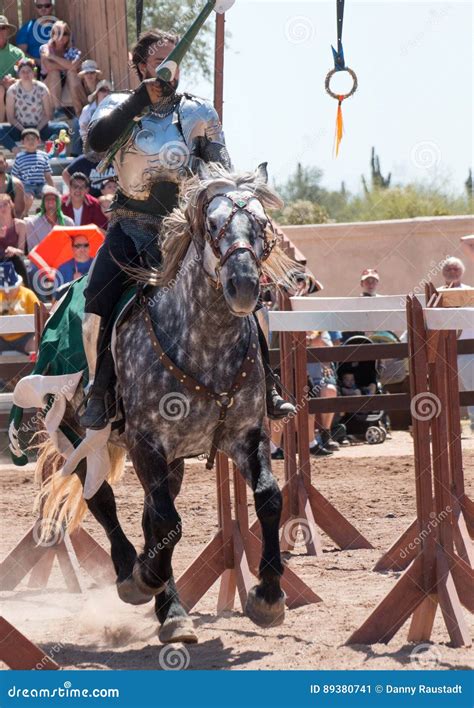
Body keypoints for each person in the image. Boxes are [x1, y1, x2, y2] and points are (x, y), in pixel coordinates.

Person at [79, 28, 294, 429]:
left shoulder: (200, 113)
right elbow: (95, 142)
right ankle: (99, 389)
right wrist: (142, 99)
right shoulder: (119, 106)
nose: (169, 69)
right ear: (142, 64)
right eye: (161, 61)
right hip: (131, 226)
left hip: (184, 231)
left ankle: (268, 385)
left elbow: (219, 171)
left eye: (174, 61)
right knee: (97, 297)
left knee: (248, 291)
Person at [0, 57, 69, 151]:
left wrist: (36, 130)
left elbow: (48, 115)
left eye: (28, 71)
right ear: (18, 73)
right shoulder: (12, 90)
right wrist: (25, 131)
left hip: (40, 128)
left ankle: (50, 151)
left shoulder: (42, 88)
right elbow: (11, 118)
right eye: (23, 71)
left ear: (33, 72)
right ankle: (15, 150)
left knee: (63, 128)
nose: (26, 74)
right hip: (19, 129)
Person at [439, 256, 474, 432]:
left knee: (471, 387)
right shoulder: (436, 294)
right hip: (443, 350)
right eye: (449, 269)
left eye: (455, 269)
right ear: (443, 272)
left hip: (467, 349)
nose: (452, 272)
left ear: (461, 272)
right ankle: (447, 426)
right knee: (443, 388)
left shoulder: (470, 292)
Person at [39, 20, 85, 117]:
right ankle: (57, 110)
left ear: (69, 36)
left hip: (67, 86)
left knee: (72, 74)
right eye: (58, 33)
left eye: (65, 33)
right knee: (55, 72)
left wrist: (53, 57)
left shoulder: (73, 51)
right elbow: (49, 66)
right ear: (53, 35)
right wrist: (68, 66)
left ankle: (79, 112)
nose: (62, 37)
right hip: (49, 86)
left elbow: (74, 67)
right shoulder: (45, 48)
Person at [11, 128, 54, 213]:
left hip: (41, 185)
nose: (31, 141)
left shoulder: (44, 155)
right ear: (22, 142)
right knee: (28, 198)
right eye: (27, 139)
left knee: (49, 195)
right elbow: (14, 176)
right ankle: (24, 213)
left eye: (33, 139)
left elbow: (47, 175)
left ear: (38, 141)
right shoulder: (19, 157)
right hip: (26, 186)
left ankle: (43, 213)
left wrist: (53, 189)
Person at [0, 261, 38, 355]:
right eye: (3, 290)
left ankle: (36, 368)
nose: (7, 292)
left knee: (35, 343)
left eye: (10, 289)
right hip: (2, 339)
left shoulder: (28, 295)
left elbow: (39, 320)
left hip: (25, 338)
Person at [25, 185, 74, 251]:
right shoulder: (32, 224)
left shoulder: (68, 222)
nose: (50, 202)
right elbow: (33, 250)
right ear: (43, 203)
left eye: (53, 199)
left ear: (58, 203)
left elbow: (71, 247)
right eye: (47, 199)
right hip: (41, 259)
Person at [0, 15, 24, 122]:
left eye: (3, 28)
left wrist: (14, 81)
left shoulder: (17, 53)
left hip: (13, 91)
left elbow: (26, 78)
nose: (0, 31)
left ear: (8, 31)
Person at [0, 193, 28, 284]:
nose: (2, 208)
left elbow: (22, 251)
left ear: (11, 205)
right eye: (0, 205)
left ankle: (26, 291)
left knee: (17, 260)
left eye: (5, 204)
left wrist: (14, 250)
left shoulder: (20, 225)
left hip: (15, 259)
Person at [0, 152, 26, 218]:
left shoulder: (16, 184)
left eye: (0, 162)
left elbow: (19, 213)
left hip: (10, 224)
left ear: (6, 164)